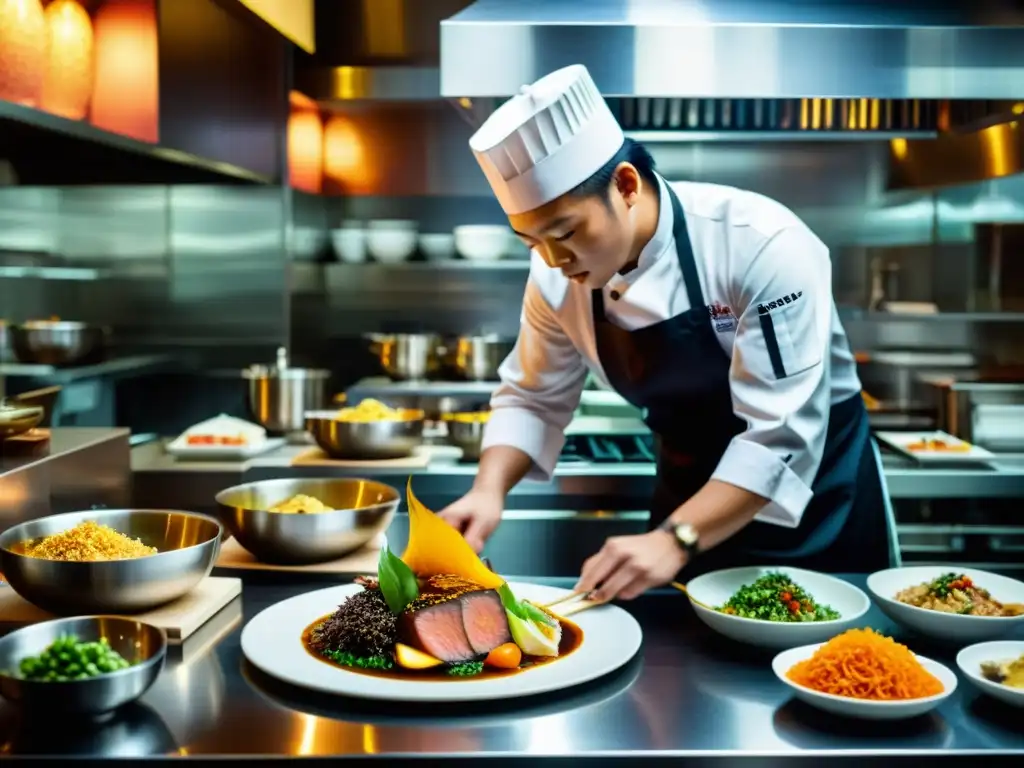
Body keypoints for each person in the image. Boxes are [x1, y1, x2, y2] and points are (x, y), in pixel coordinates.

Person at [439, 64, 891, 603]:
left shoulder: (761, 245)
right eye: (531, 241)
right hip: (685, 506)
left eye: (566, 233)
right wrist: (488, 492)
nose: (555, 260)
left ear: (626, 186)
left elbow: (780, 439)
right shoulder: (555, 278)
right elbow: (532, 396)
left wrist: (675, 538)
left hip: (815, 514)